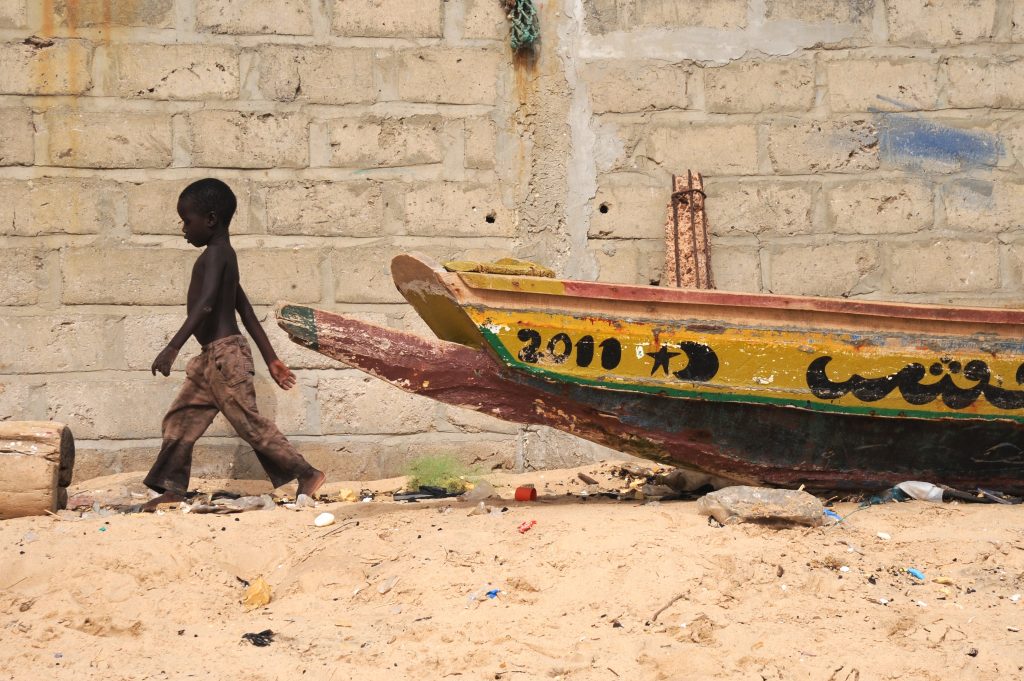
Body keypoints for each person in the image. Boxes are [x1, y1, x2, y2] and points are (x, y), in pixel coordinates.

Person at [143, 178, 325, 509]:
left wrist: (172, 347)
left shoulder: (216, 256)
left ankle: (307, 473)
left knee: (249, 424)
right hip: (210, 360)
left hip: (225, 357)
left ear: (210, 220)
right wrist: (271, 359)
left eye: (187, 220)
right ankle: (171, 486)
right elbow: (248, 313)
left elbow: (208, 303)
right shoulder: (224, 257)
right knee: (180, 418)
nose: (184, 229)